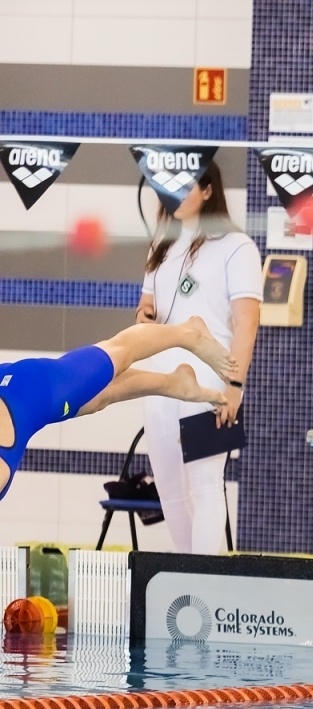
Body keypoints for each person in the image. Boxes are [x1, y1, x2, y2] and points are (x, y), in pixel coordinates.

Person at [135, 160, 261, 554]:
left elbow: (247, 323)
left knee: (206, 487)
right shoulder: (162, 244)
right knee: (170, 491)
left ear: (208, 190)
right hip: (159, 381)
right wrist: (144, 316)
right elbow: (145, 308)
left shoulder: (237, 247)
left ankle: (205, 582)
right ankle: (183, 581)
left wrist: (233, 387)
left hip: (209, 382)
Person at [1, 320, 234, 500]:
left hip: (31, 388)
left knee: (120, 350)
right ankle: (175, 383)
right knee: (95, 398)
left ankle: (189, 333)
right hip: (23, 396)